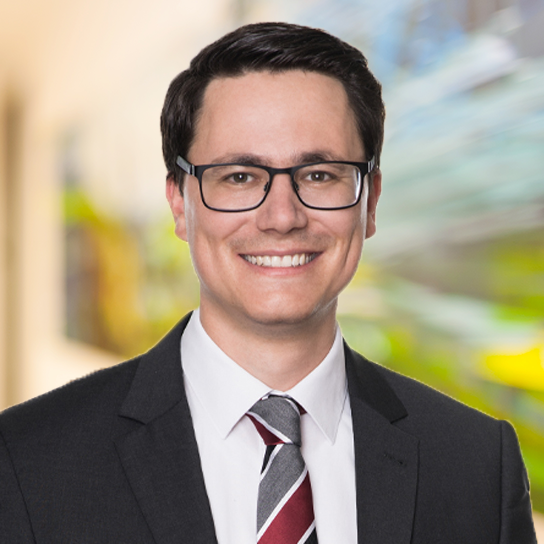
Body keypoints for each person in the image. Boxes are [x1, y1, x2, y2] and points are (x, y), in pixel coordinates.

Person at [0, 22, 537, 544]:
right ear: (179, 204)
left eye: (320, 175)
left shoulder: (477, 466)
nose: (282, 217)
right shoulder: (25, 462)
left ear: (370, 201)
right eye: (239, 177)